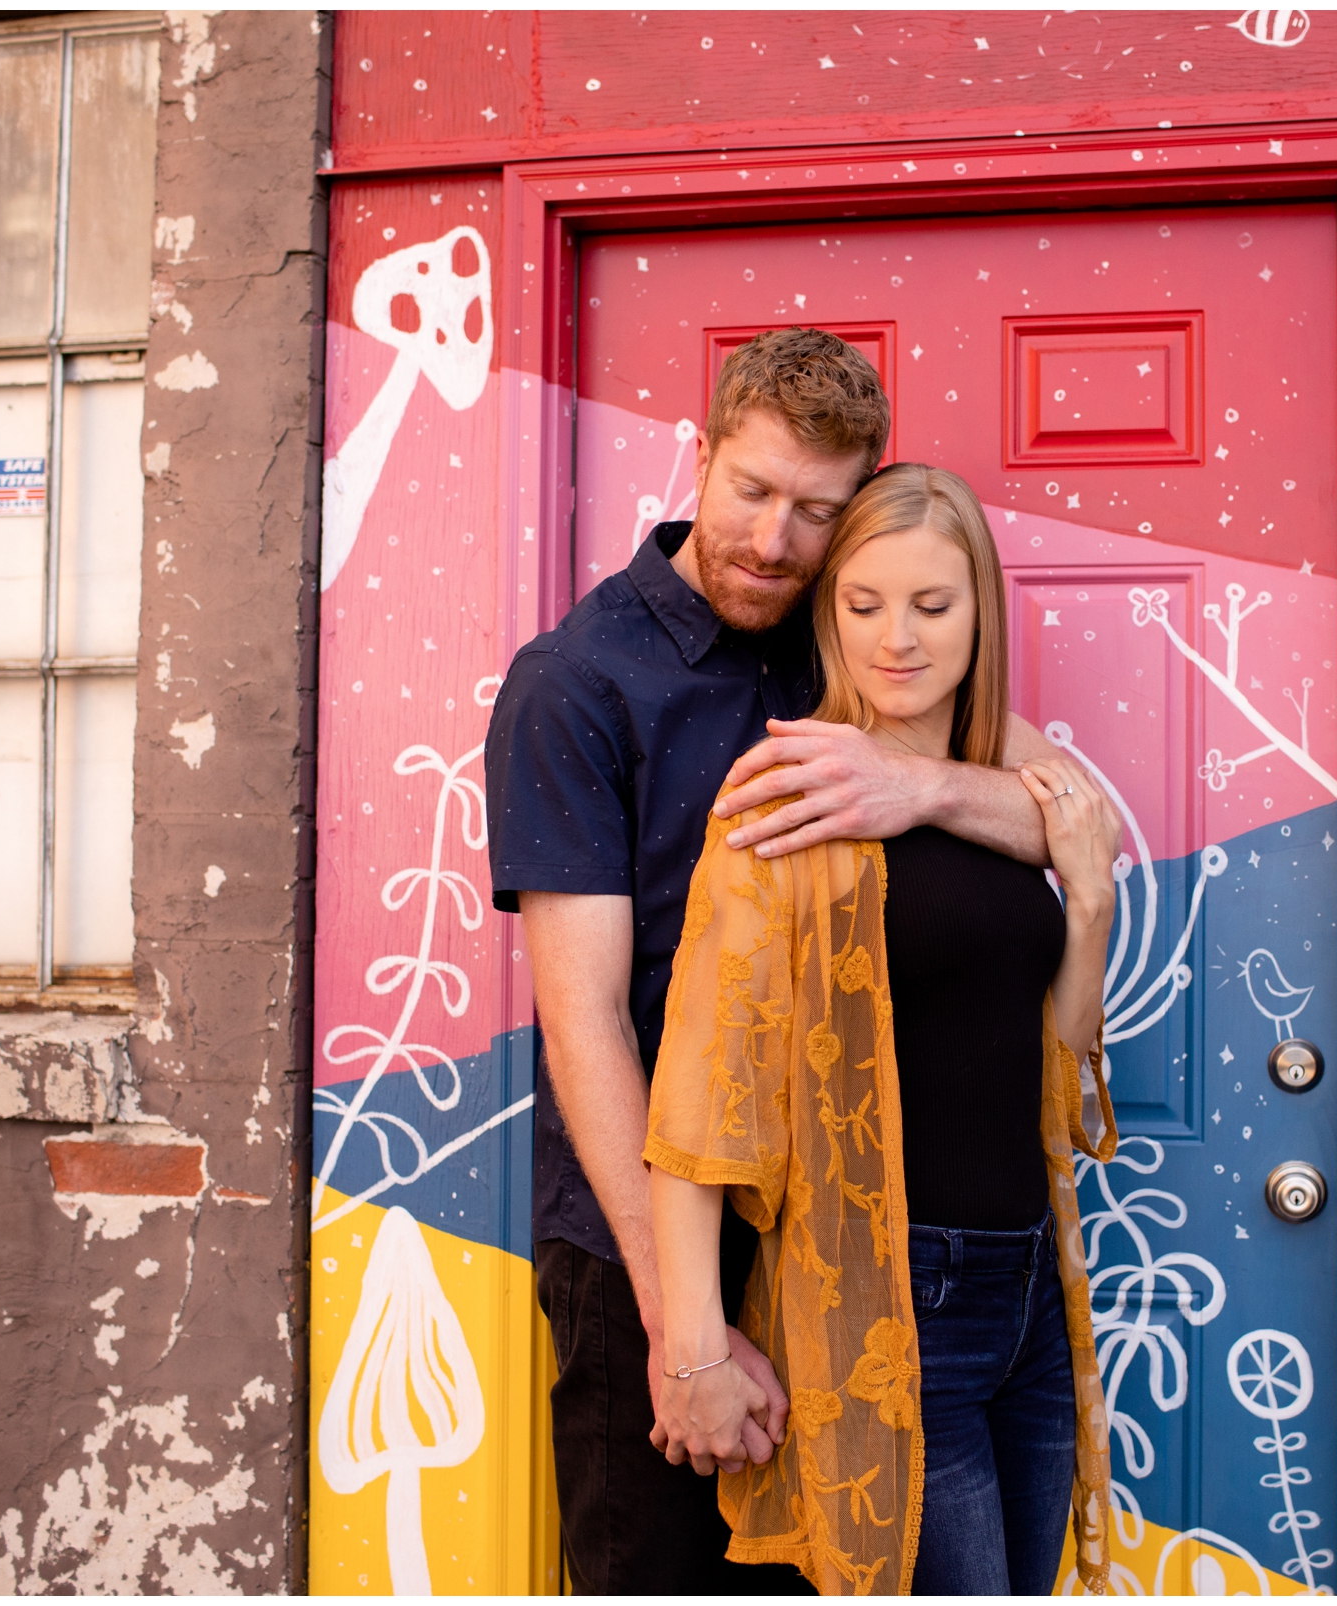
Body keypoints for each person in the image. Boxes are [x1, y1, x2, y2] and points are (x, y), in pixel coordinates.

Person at [485, 331, 1096, 1593]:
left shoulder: (842, 628)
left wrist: (910, 783)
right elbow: (588, 1020)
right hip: (644, 1241)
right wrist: (684, 1329)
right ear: (698, 458)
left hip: (841, 1234)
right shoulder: (578, 684)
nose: (774, 540)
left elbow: (1057, 807)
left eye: (816, 511)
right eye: (752, 492)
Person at [643, 464, 1122, 1596]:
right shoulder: (787, 795)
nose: (895, 638)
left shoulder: (1008, 781)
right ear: (828, 611)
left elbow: (1055, 1069)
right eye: (863, 605)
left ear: (980, 613)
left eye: (932, 605)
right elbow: (702, 1097)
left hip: (1031, 1301)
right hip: (892, 1294)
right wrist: (696, 1346)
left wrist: (1089, 909)